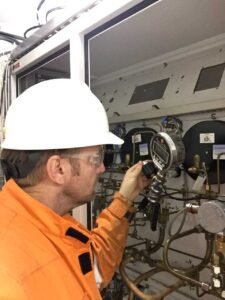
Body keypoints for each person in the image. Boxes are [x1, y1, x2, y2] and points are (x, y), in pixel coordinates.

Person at [0, 78, 150, 300]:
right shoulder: (11, 282)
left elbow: (92, 270)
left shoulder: (45, 223)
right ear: (58, 168)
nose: (101, 168)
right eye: (95, 158)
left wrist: (124, 199)